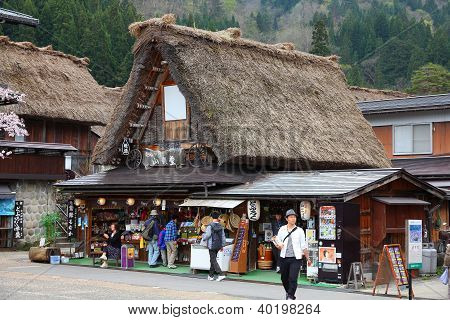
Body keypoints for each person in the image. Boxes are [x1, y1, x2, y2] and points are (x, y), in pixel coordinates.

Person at [273, 209, 311, 300]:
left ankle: (290, 296)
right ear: (287, 219)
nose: (293, 219)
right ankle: (288, 292)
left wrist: (308, 258)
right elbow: (278, 242)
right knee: (284, 278)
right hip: (284, 257)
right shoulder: (282, 229)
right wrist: (278, 245)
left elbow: (303, 246)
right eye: (291, 217)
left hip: (296, 258)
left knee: (293, 278)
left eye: (294, 217)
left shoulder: (300, 231)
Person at [202, 211, 226, 281]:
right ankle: (211, 275)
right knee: (213, 259)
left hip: (211, 245)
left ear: (212, 217)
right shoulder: (221, 226)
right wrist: (222, 245)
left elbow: (208, 235)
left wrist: (203, 237)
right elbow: (223, 237)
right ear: (218, 217)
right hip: (218, 245)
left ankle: (221, 274)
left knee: (213, 260)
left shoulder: (210, 226)